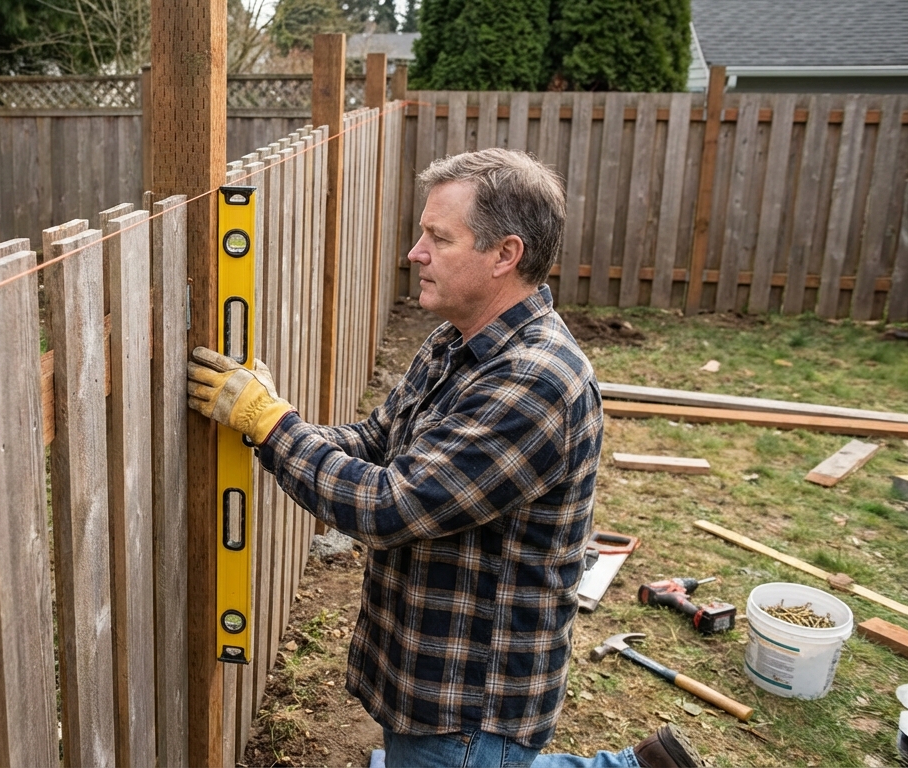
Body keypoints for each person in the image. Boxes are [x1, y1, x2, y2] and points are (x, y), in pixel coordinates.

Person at [187, 148, 702, 768]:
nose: (415, 252)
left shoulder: (535, 382)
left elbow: (389, 504)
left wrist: (272, 426)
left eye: (438, 236)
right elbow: (377, 445)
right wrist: (267, 418)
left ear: (505, 255)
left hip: (470, 701)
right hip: (429, 667)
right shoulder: (455, 343)